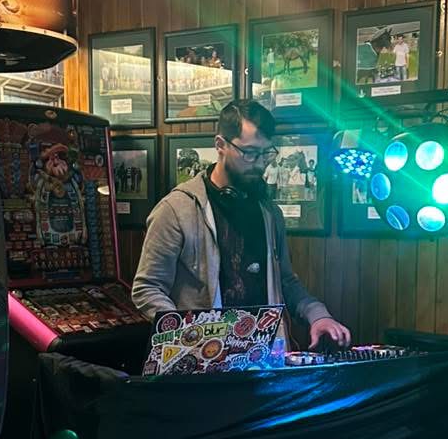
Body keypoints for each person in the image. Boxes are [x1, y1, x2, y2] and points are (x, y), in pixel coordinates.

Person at [132, 99, 351, 348]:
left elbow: (286, 282)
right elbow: (147, 287)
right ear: (220, 145)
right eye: (249, 153)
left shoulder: (269, 212)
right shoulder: (175, 210)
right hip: (204, 360)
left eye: (266, 153)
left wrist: (318, 315)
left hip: (264, 357)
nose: (259, 164)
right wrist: (186, 336)